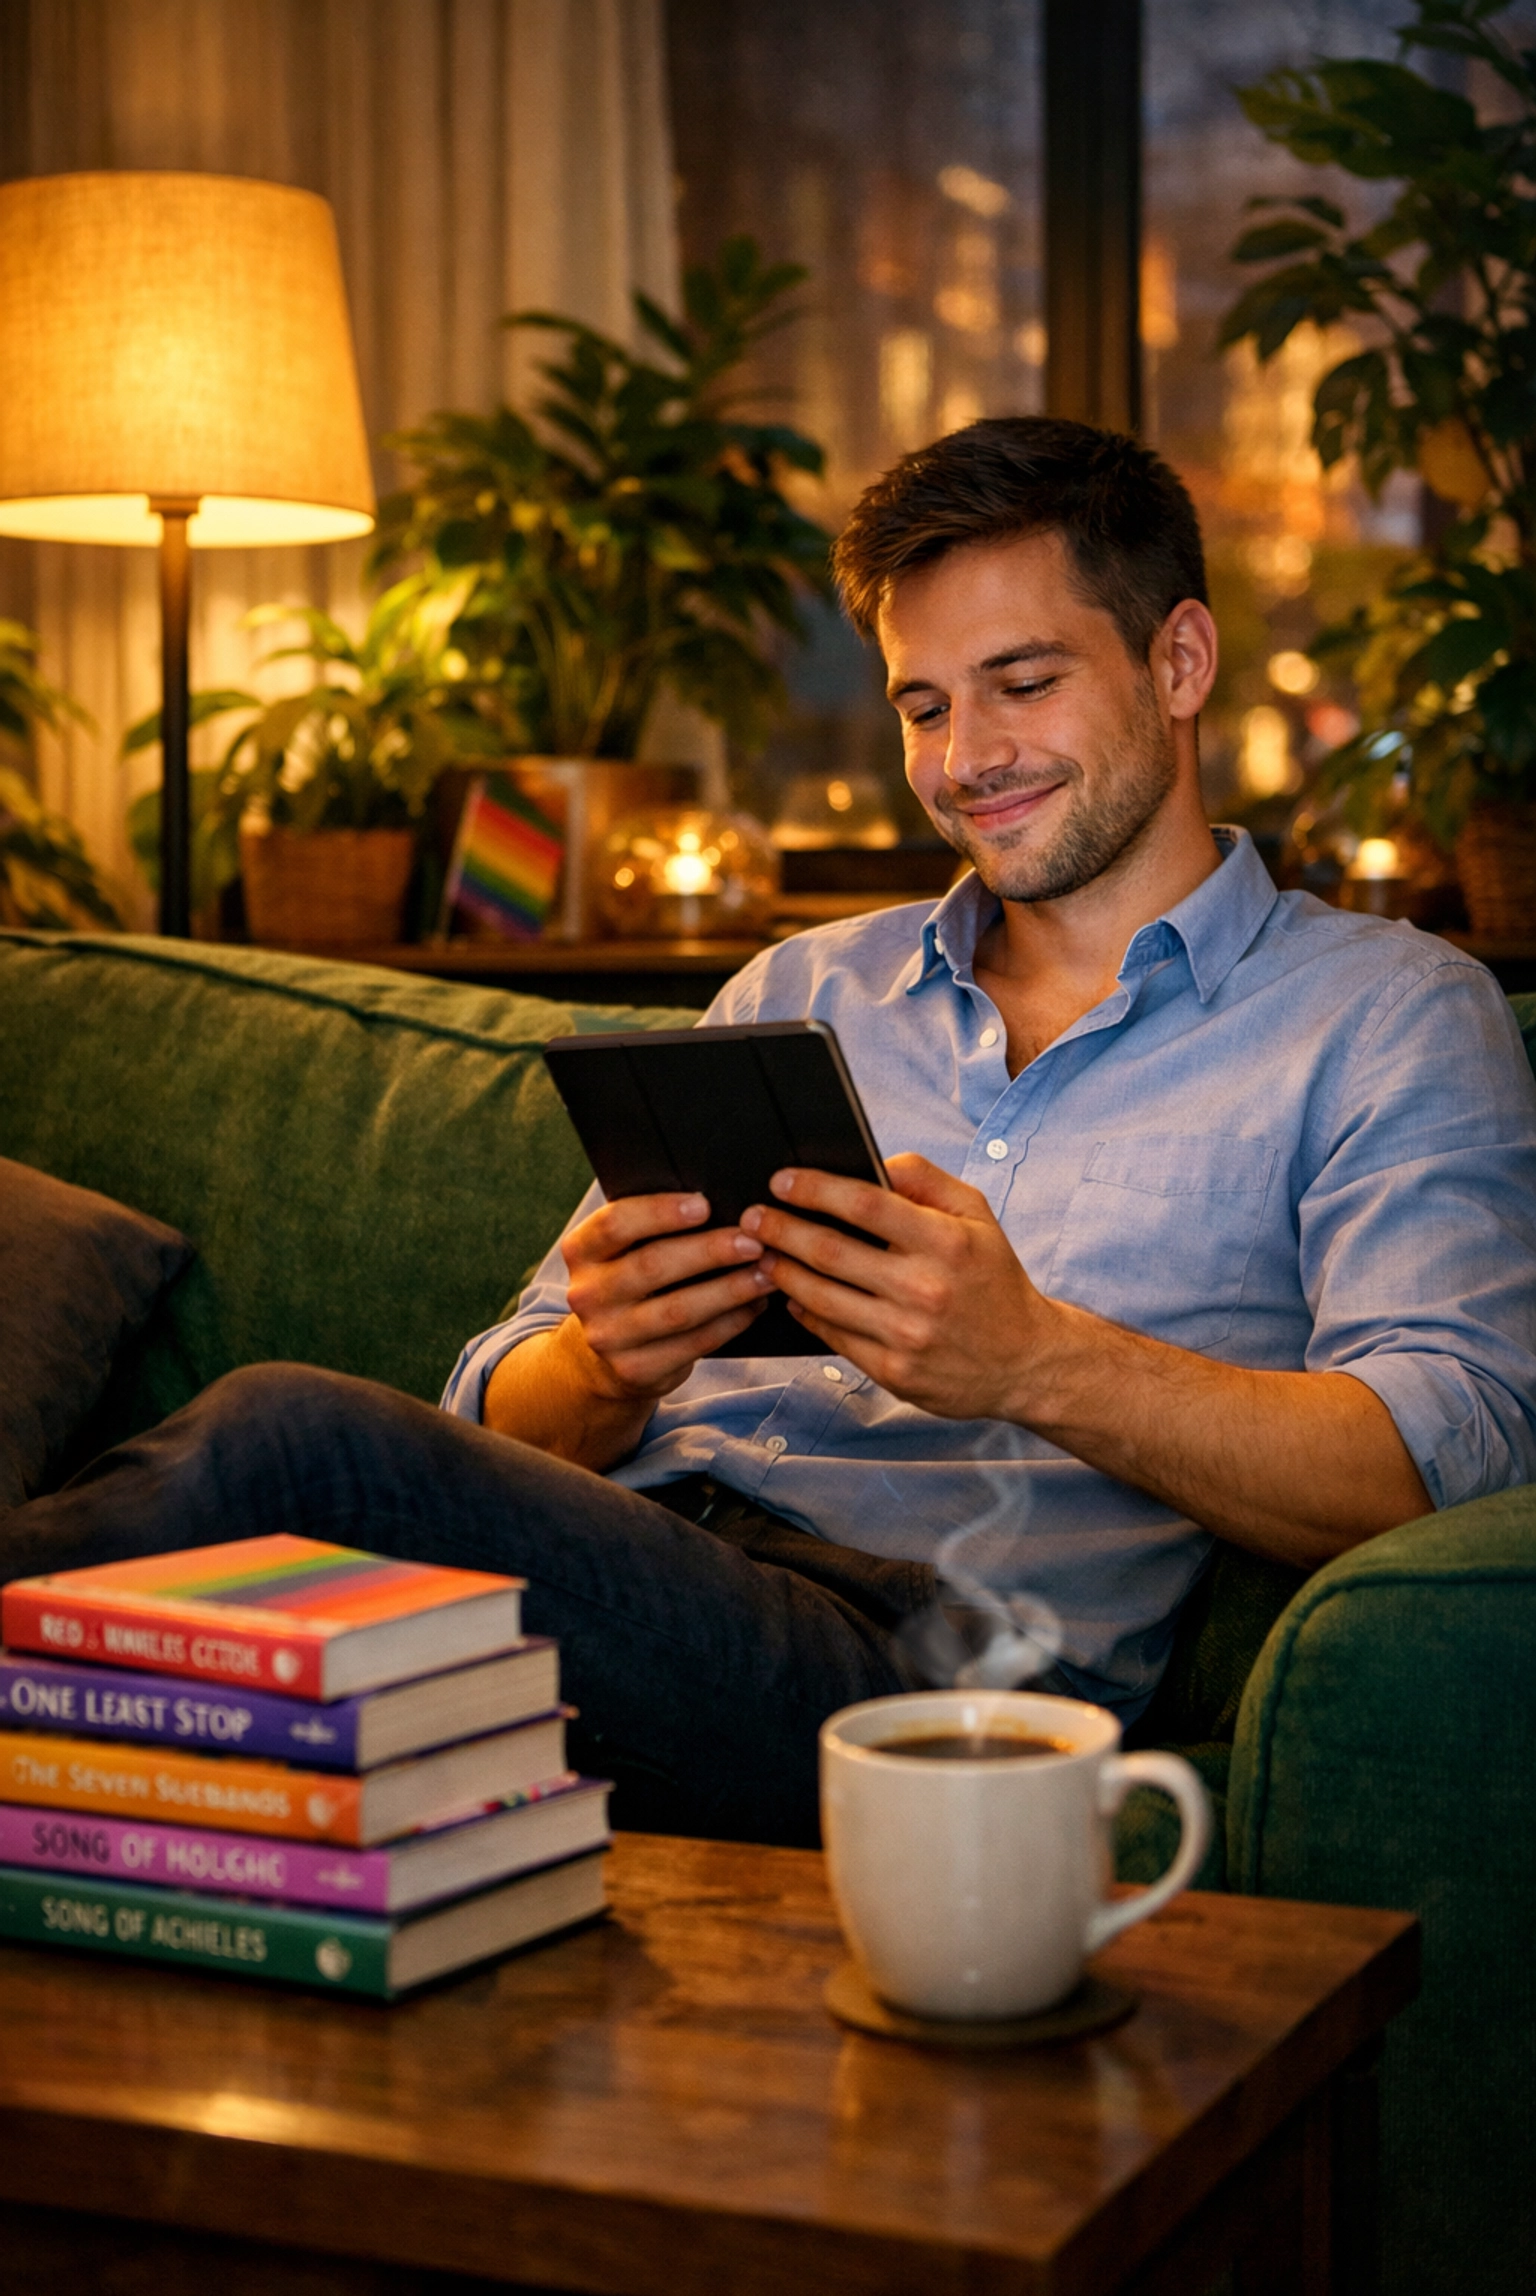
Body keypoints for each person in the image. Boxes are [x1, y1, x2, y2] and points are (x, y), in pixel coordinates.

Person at [9, 418, 1536, 1845]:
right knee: (209, 1641)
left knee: (291, 1441)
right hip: (629, 1570)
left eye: (1023, 683)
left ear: (1180, 659)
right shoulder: (805, 988)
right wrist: (604, 1362)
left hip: (920, 1674)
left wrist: (1035, 1361)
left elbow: (1447, 1452)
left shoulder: (1383, 1013)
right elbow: (500, 1419)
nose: (966, 758)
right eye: (924, 707)